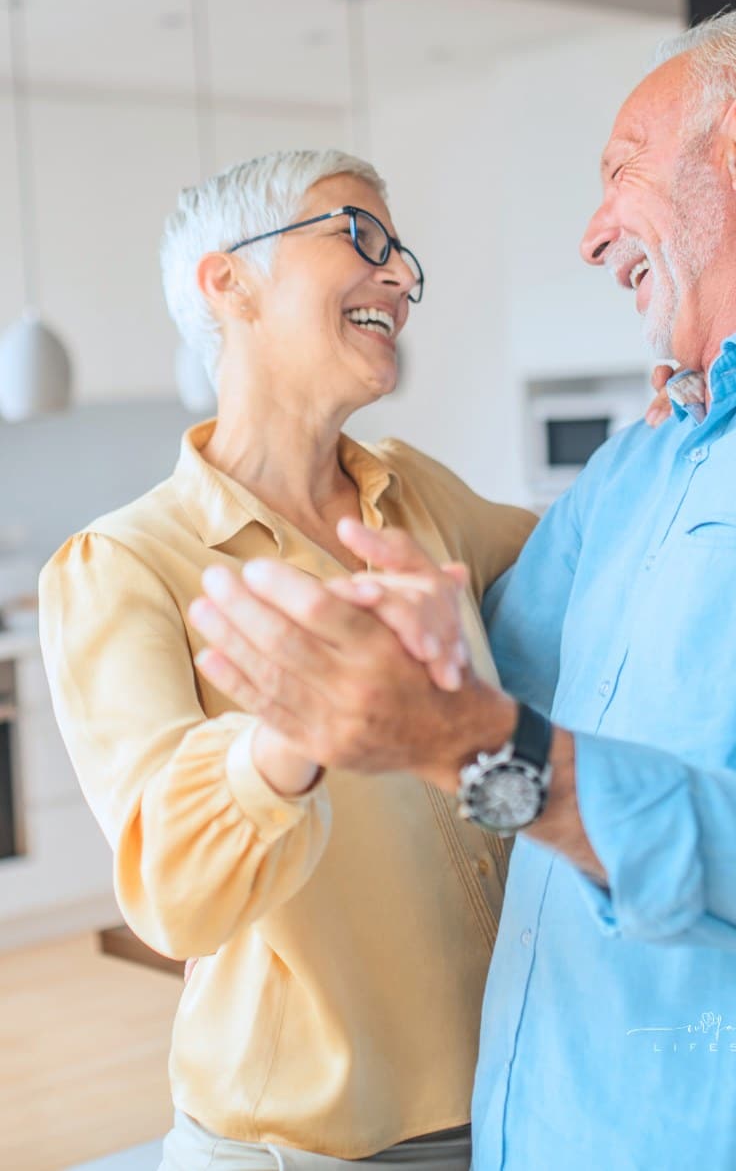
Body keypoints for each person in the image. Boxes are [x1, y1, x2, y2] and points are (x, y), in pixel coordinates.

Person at [191, 1, 736, 1170]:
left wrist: (481, 751)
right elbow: (482, 687)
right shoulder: (642, 460)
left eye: (620, 172)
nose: (590, 234)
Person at [39, 150, 549, 1171]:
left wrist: (673, 437)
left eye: (401, 253)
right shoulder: (123, 565)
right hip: (304, 1150)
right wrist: (291, 736)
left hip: (512, 1108)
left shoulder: (415, 493)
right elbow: (174, 900)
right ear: (229, 283)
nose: (400, 275)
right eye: (359, 234)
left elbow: (583, 558)